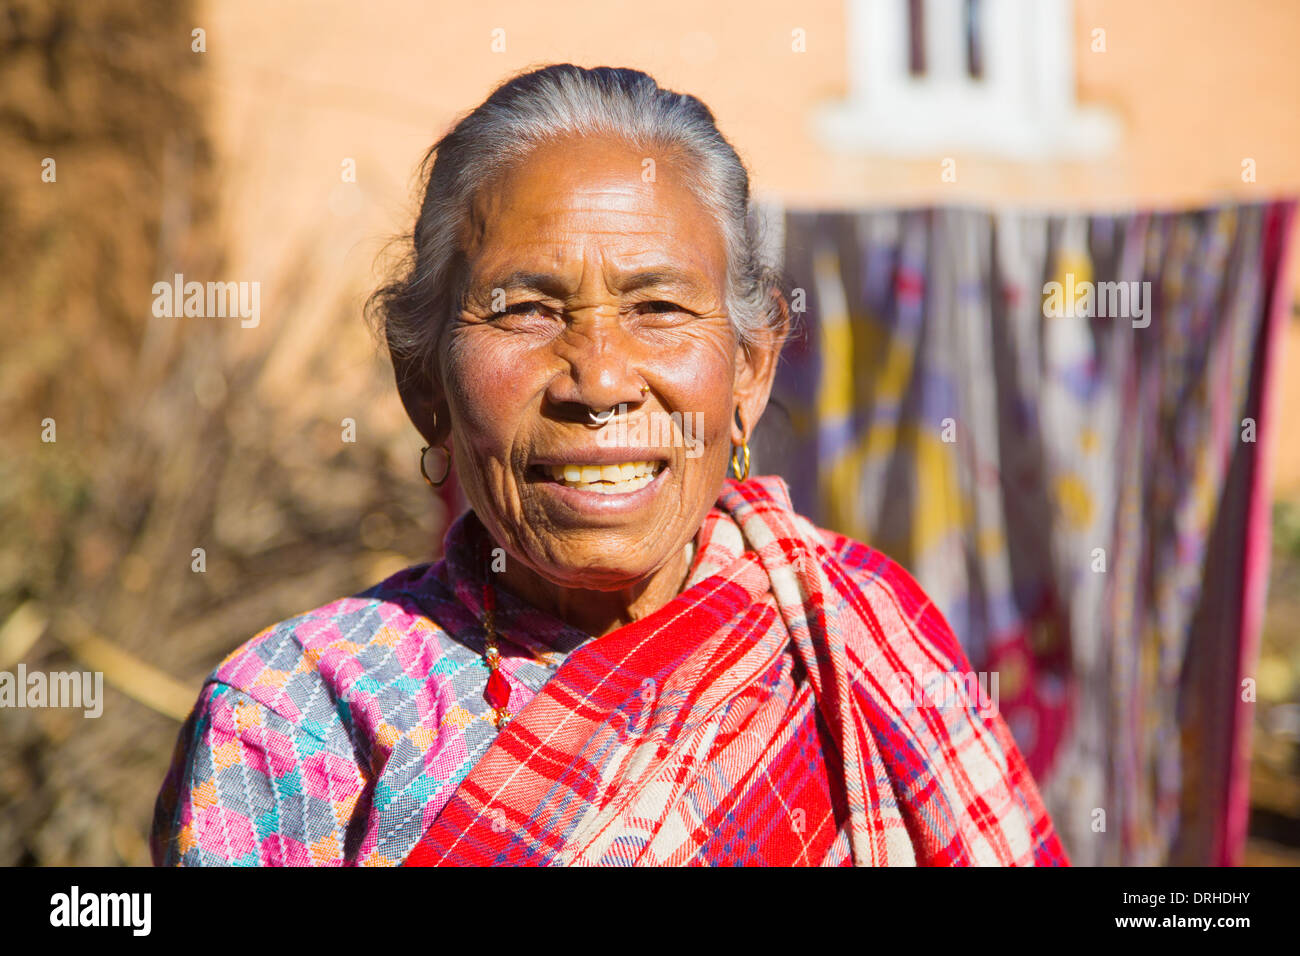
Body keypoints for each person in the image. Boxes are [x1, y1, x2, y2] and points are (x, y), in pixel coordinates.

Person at [151, 63, 1068, 866]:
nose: (599, 380)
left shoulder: (864, 643)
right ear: (423, 382)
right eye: (526, 310)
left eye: (659, 307)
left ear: (750, 369)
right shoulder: (296, 719)